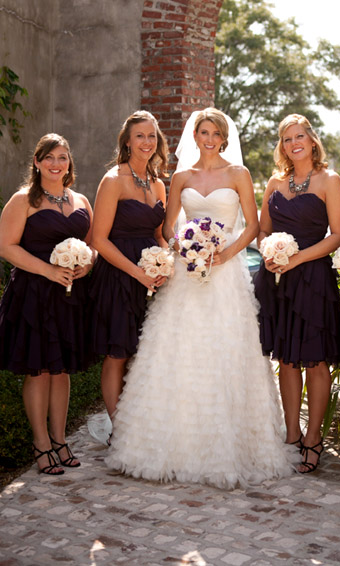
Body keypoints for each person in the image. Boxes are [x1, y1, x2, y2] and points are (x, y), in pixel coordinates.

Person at [106, 107, 295, 489]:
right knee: (179, 352)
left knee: (224, 350)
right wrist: (185, 248)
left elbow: (253, 225)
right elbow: (167, 227)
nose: (209, 139)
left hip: (226, 274)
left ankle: (229, 445)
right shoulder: (180, 177)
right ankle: (169, 442)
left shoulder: (239, 174)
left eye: (215, 133)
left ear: (224, 138)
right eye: (203, 132)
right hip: (188, 275)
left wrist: (224, 253)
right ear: (195, 136)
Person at [255, 114, 340, 474]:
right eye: (286, 138)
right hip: (277, 278)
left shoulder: (330, 180)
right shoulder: (275, 181)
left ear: (312, 140)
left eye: (300, 136)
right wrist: (271, 253)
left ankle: (313, 438)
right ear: (282, 146)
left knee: (315, 360)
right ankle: (292, 434)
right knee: (287, 359)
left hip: (312, 276)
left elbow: (339, 234)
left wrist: (297, 259)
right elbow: (264, 230)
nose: (294, 143)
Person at [0, 134, 93, 474]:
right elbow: (7, 246)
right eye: (49, 158)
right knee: (38, 370)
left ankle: (59, 438)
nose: (56, 164)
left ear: (70, 163)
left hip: (70, 296)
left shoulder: (80, 200)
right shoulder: (23, 200)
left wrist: (87, 263)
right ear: (37, 162)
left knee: (62, 369)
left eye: (63, 158)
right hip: (34, 294)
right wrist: (49, 271)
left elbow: (92, 245)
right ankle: (40, 443)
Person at [88, 110, 168, 428]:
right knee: (118, 353)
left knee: (142, 353)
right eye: (140, 136)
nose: (146, 142)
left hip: (151, 280)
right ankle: (119, 427)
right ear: (127, 141)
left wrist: (167, 264)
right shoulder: (113, 180)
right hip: (119, 276)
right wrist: (137, 272)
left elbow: (159, 235)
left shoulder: (158, 184)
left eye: (151, 136)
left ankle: (140, 423)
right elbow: (99, 239)